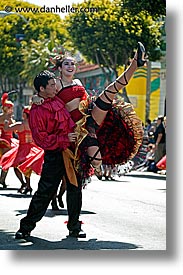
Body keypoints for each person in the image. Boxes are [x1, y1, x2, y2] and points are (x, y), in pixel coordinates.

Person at [32, 42, 146, 187]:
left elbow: (86, 99)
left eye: (72, 64)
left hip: (89, 118)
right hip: (74, 128)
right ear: (60, 68)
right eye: (66, 64)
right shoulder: (56, 83)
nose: (70, 66)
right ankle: (84, 172)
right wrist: (35, 98)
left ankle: (136, 63)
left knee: (110, 91)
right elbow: (43, 94)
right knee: (96, 160)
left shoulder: (78, 81)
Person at [15, 70, 86, 239]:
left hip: (71, 151)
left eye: (55, 84)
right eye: (52, 85)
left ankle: (75, 227)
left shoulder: (58, 100)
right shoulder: (37, 111)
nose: (56, 87)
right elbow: (41, 139)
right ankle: (26, 226)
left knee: (75, 189)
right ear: (42, 88)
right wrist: (64, 138)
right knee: (45, 191)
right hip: (54, 154)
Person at [0, 106, 44, 194]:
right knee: (27, 167)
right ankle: (28, 186)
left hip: (22, 149)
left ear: (24, 115)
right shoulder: (35, 125)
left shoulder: (19, 125)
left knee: (17, 168)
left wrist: (5, 122)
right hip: (33, 148)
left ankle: (26, 185)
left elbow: (6, 129)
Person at [0, 93, 19, 188]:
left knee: (4, 160)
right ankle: (2, 179)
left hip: (2, 139)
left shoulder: (0, 117)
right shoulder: (9, 119)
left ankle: (2, 179)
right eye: (11, 108)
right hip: (8, 141)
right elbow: (15, 130)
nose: (12, 110)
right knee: (6, 161)